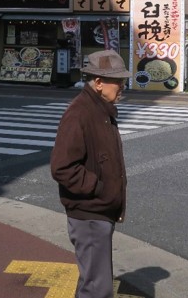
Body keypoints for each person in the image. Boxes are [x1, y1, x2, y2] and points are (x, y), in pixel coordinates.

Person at [50, 50, 129, 298]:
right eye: (117, 81)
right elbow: (62, 167)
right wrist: (99, 188)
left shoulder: (100, 110)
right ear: (98, 83)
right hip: (90, 213)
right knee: (97, 288)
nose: (122, 86)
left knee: (93, 282)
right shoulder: (81, 113)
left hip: (97, 212)